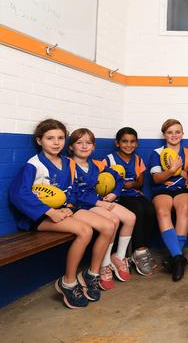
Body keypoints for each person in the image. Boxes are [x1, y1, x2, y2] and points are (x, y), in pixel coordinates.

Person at [9, 119, 115, 308]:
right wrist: (50, 211)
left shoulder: (68, 163)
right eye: (50, 138)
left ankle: (92, 273)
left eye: (60, 138)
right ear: (39, 140)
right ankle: (69, 282)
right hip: (40, 217)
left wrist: (70, 204)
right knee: (85, 231)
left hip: (64, 210)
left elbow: (73, 189)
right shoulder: (33, 165)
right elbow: (19, 193)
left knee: (108, 226)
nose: (56, 142)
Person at [68, 128, 136, 291]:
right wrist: (99, 203)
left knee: (130, 217)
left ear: (93, 146)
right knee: (112, 220)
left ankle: (118, 258)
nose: (84, 146)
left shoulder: (97, 164)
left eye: (88, 143)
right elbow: (74, 193)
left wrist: (113, 193)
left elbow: (118, 179)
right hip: (83, 206)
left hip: (98, 202)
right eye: (79, 142)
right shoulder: (67, 165)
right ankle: (104, 265)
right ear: (71, 147)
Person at [149, 119, 188, 281]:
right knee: (162, 211)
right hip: (162, 189)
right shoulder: (157, 153)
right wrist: (171, 170)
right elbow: (157, 179)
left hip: (183, 189)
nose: (174, 135)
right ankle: (179, 258)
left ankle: (174, 258)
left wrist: (179, 172)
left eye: (177, 132)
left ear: (182, 134)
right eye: (170, 132)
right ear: (164, 134)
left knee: (184, 209)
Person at [104, 127, 158, 276]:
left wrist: (132, 185)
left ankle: (141, 249)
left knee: (150, 209)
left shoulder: (138, 159)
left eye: (132, 141)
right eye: (125, 141)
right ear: (117, 143)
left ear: (137, 143)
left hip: (133, 193)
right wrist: (119, 185)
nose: (129, 145)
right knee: (138, 210)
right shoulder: (109, 160)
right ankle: (139, 252)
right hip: (118, 196)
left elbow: (140, 182)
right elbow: (103, 183)